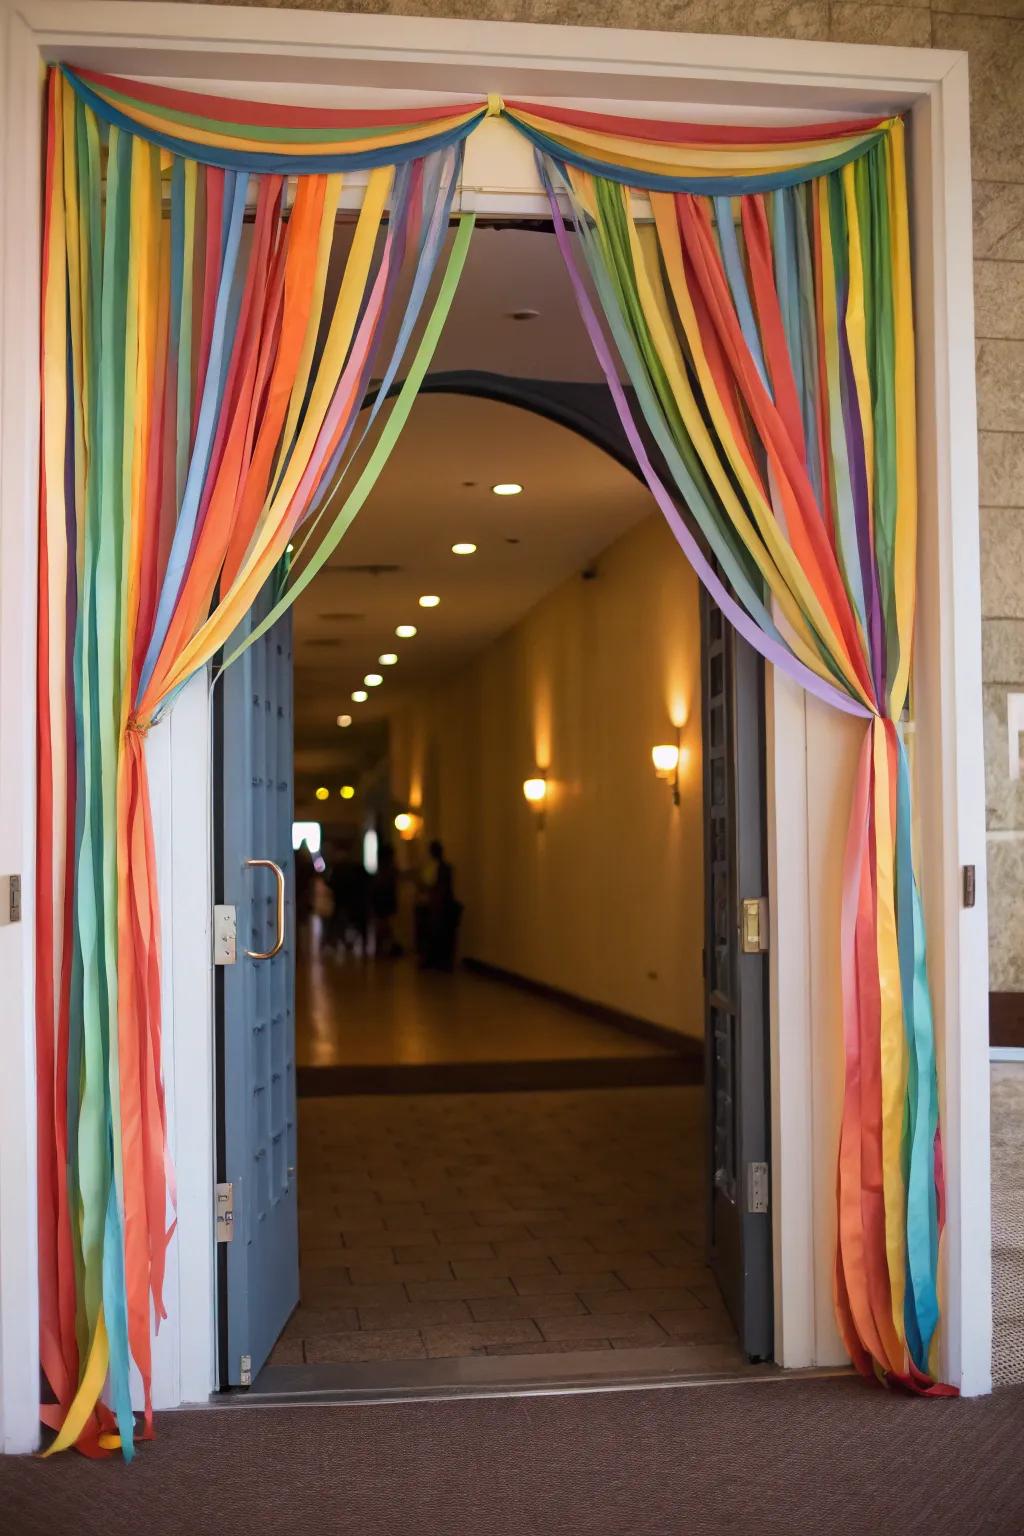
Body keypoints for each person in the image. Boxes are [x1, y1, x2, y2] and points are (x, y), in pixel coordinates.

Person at [416, 838, 462, 971]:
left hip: (438, 905)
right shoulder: (437, 867)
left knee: (438, 934)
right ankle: (434, 960)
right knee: (434, 934)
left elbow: (433, 886)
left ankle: (438, 961)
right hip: (434, 905)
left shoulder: (439, 868)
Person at [370, 842, 401, 957]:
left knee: (383, 924)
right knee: (383, 924)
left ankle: (381, 949)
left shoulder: (382, 869)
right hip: (384, 898)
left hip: (382, 898)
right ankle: (382, 948)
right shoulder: (387, 869)